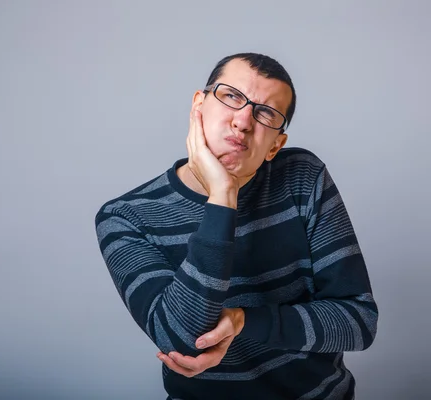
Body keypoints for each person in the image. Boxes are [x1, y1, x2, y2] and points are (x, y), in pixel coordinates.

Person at [94, 52, 378, 400]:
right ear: (198, 105)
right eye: (231, 96)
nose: (243, 121)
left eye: (266, 113)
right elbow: (184, 341)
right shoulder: (126, 217)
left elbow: (358, 321)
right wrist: (224, 196)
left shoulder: (302, 177)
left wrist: (242, 321)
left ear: (275, 145)